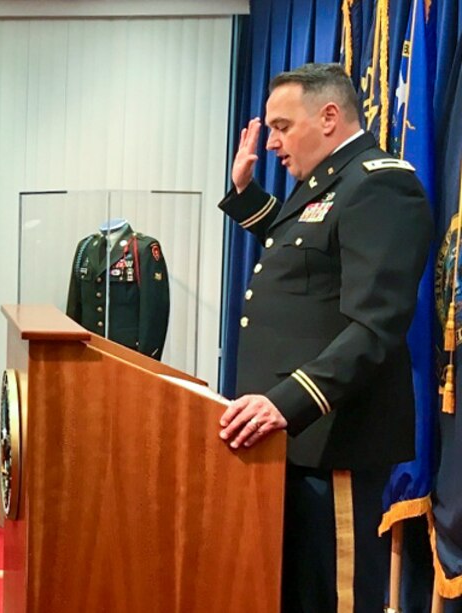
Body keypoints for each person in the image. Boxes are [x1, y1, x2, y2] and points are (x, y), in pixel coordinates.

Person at [216, 63, 432, 612]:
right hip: (295, 439)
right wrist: (245, 195)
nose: (272, 143)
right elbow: (303, 247)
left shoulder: (380, 184)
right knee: (294, 591)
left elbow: (375, 325)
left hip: (335, 437)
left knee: (333, 597)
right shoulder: (329, 185)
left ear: (330, 116)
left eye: (283, 126)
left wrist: (285, 402)